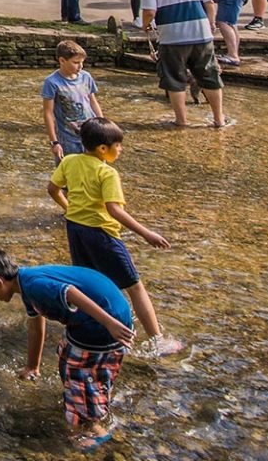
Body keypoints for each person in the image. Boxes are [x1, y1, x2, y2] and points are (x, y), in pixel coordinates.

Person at [0, 248, 135, 450]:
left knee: (79, 368)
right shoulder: (25, 281)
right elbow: (36, 325)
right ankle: (88, 399)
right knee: (66, 354)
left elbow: (71, 293)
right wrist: (32, 367)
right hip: (104, 314)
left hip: (105, 322)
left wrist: (109, 323)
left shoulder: (35, 287)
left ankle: (93, 430)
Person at [48, 117, 182, 357]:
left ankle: (86, 331)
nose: (120, 150)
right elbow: (114, 210)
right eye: (117, 146)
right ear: (103, 148)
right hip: (102, 234)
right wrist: (146, 233)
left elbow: (52, 189)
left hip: (76, 230)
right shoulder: (107, 173)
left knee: (88, 283)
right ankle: (156, 339)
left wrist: (68, 208)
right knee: (134, 286)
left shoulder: (69, 161)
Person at [139, 0, 228, 128]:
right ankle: (219, 119)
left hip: (173, 37)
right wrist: (210, 23)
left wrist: (146, 25)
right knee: (210, 76)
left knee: (174, 79)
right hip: (201, 34)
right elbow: (209, 3)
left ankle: (182, 120)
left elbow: (149, 12)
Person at [42, 39, 103, 158]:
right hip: (68, 139)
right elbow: (48, 113)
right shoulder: (52, 82)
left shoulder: (86, 77)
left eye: (82, 62)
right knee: (69, 173)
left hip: (91, 134)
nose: (81, 66)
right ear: (62, 60)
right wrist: (54, 142)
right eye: (76, 62)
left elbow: (93, 102)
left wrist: (103, 126)